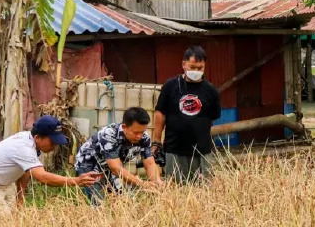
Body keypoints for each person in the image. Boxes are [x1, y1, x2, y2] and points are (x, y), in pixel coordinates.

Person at [0, 115, 100, 214]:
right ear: (38, 137)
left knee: (16, 219)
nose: (54, 146)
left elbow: (26, 171)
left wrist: (20, 198)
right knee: (2, 225)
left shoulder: (32, 144)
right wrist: (76, 181)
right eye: (52, 141)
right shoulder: (23, 148)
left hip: (3, 182)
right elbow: (42, 177)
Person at [153, 46, 222, 182]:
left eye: (200, 68)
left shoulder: (210, 90)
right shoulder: (170, 86)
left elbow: (214, 115)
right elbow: (160, 113)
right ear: (184, 64)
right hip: (174, 148)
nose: (196, 71)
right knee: (176, 189)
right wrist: (156, 141)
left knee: (203, 189)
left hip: (202, 150)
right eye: (192, 67)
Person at [74, 107, 161, 203]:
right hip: (89, 166)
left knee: (127, 200)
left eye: (142, 132)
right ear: (124, 127)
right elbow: (115, 168)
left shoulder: (144, 137)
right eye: (136, 132)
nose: (139, 136)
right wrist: (142, 183)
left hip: (113, 167)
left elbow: (149, 163)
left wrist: (156, 183)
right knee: (98, 203)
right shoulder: (108, 134)